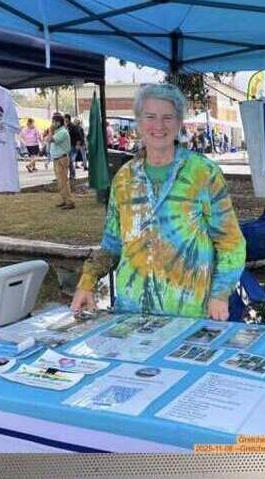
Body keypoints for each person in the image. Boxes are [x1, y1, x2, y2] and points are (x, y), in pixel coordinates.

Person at [71, 84, 243, 319]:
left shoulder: (203, 173)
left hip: (190, 313)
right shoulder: (124, 178)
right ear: (139, 122)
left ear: (179, 122)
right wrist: (86, 283)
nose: (159, 126)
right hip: (131, 312)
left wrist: (220, 295)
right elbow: (112, 244)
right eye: (150, 117)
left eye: (168, 117)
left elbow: (231, 243)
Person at [44, 113, 75, 209]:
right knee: (60, 181)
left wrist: (50, 131)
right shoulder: (57, 131)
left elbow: (49, 140)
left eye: (54, 122)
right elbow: (45, 139)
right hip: (57, 159)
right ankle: (64, 200)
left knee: (63, 181)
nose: (52, 123)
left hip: (61, 159)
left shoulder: (62, 132)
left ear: (58, 122)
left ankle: (69, 202)